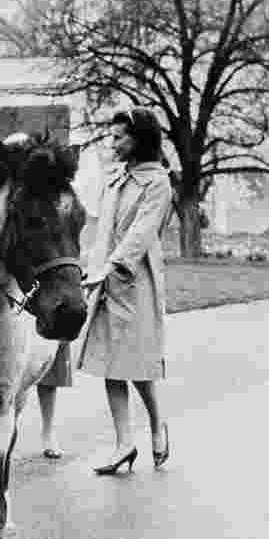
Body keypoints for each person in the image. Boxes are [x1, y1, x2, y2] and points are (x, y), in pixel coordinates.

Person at [78, 107, 172, 475]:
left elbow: (140, 234)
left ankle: (157, 425)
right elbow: (102, 228)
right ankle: (123, 444)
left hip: (135, 283)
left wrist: (110, 268)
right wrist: (90, 265)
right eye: (112, 136)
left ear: (140, 140)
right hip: (104, 282)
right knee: (110, 365)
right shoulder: (115, 176)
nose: (112, 143)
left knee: (138, 366)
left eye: (120, 137)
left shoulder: (158, 182)